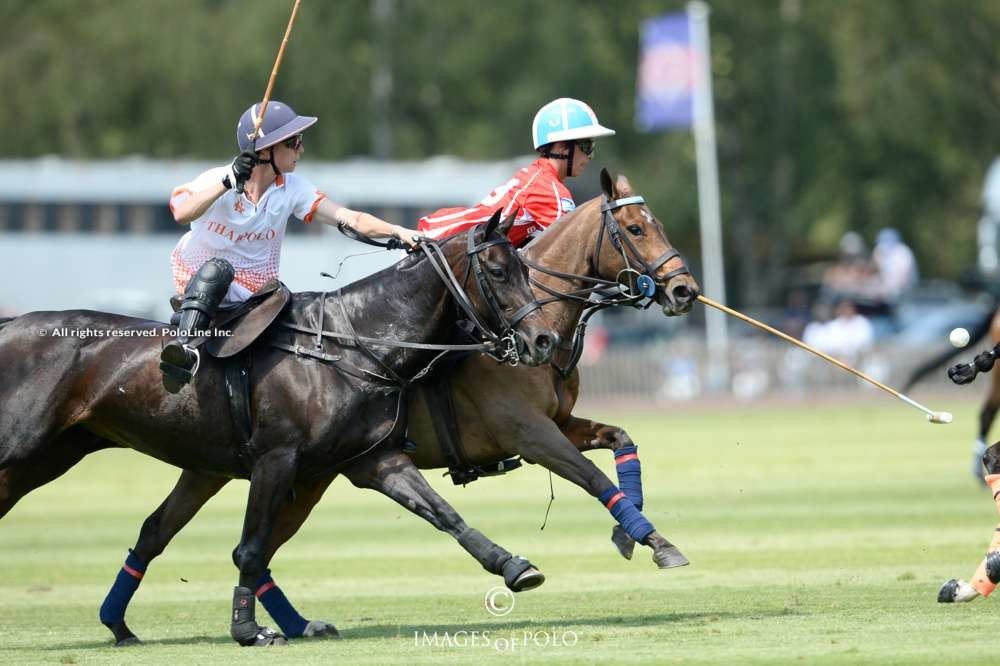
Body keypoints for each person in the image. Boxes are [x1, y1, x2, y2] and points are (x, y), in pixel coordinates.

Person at [160, 100, 418, 392]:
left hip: (256, 290)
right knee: (218, 270)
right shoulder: (215, 179)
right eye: (293, 142)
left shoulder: (293, 188)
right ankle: (184, 350)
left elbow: (350, 218)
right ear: (265, 150)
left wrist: (399, 231)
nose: (301, 149)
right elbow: (181, 212)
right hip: (201, 283)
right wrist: (226, 181)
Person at [417, 98, 615, 246]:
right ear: (563, 147)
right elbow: (575, 252)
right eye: (586, 145)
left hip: (440, 237)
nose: (590, 156)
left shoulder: (536, 174)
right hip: (439, 247)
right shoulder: (551, 191)